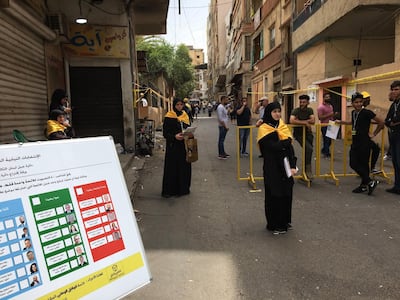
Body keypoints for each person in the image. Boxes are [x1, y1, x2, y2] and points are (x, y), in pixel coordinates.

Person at [257, 102, 297, 235]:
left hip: (285, 165)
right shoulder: (264, 129)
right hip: (272, 167)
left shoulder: (282, 126)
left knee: (286, 193)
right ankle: (274, 223)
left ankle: (285, 221)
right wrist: (285, 143)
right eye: (274, 111)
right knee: (274, 194)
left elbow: (289, 148)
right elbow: (272, 147)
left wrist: (292, 164)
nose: (277, 114)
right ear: (269, 113)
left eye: (279, 111)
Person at [336, 92, 383, 194]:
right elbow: (352, 122)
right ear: (352, 103)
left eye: (360, 102)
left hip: (364, 142)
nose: (358, 104)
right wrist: (341, 122)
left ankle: (364, 185)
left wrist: (374, 134)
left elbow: (381, 122)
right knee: (353, 163)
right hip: (355, 142)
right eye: (356, 102)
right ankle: (369, 182)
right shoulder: (353, 113)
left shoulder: (367, 112)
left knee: (363, 164)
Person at [161, 98, 192, 198]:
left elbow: (187, 128)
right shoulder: (169, 116)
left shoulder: (185, 115)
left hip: (183, 146)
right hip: (173, 147)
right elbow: (165, 133)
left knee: (183, 168)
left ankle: (182, 190)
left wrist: (188, 133)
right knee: (172, 168)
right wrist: (174, 137)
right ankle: (170, 191)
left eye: (181, 105)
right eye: (177, 105)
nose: (179, 106)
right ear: (174, 105)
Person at [290, 94, 315, 180]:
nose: (302, 103)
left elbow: (313, 120)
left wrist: (300, 121)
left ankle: (305, 172)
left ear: (308, 102)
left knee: (308, 151)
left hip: (308, 133)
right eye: (301, 102)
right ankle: (308, 170)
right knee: (309, 149)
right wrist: (305, 123)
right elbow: (292, 120)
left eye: (304, 102)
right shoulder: (296, 110)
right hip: (299, 134)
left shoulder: (310, 110)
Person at [384, 80, 400, 194]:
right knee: (395, 162)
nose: (394, 92)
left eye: (396, 89)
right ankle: (397, 186)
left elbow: (396, 120)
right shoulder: (394, 104)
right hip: (393, 137)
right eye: (392, 89)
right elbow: (388, 120)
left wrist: (392, 121)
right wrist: (391, 122)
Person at [361, 91, 381, 174]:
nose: (368, 100)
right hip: (363, 137)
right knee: (371, 151)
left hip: (363, 137)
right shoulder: (365, 112)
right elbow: (381, 122)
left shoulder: (360, 111)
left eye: (369, 98)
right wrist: (374, 133)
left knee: (372, 150)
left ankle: (366, 169)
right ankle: (368, 170)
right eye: (367, 99)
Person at [317, 92, 339, 158]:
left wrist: (335, 115)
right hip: (324, 125)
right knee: (326, 140)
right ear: (323, 98)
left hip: (332, 124)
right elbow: (320, 117)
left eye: (329, 97)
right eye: (326, 97)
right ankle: (326, 153)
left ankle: (324, 149)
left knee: (331, 140)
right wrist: (330, 114)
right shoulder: (321, 107)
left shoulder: (330, 106)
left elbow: (331, 115)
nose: (328, 98)